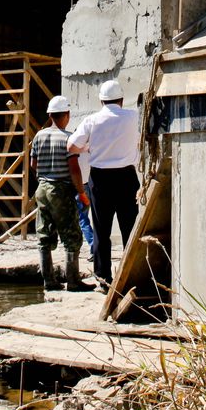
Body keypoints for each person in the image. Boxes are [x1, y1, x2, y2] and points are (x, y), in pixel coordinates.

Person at [68, 79, 139, 286]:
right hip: (127, 177)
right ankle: (131, 275)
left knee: (101, 230)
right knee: (130, 228)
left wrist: (87, 148)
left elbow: (71, 146)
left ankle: (103, 277)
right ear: (122, 100)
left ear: (101, 101)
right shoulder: (133, 117)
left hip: (100, 180)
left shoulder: (92, 120)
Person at [29, 95, 94, 292]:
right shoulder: (68, 138)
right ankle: (73, 281)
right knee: (72, 236)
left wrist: (45, 176)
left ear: (50, 115)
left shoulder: (39, 136)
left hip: (42, 189)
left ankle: (48, 281)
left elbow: (33, 164)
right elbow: (74, 167)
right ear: (67, 115)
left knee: (43, 236)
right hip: (62, 190)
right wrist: (81, 192)